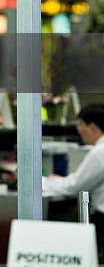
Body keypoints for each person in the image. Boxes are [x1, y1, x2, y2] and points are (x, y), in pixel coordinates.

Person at [43, 103, 104, 261]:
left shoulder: (99, 152)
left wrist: (47, 183)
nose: (79, 131)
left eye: (80, 125)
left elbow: (75, 186)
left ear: (92, 126)